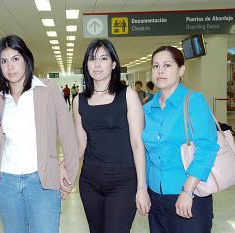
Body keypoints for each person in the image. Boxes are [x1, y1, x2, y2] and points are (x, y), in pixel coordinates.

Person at [0, 35, 79, 233]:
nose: (10, 67)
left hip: (42, 183)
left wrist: (69, 177)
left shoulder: (47, 90)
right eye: (3, 61)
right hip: (6, 184)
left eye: (15, 59)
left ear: (26, 60)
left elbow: (68, 136)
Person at [73, 38, 150, 233]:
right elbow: (80, 146)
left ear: (113, 63)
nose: (97, 64)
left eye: (103, 58)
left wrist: (142, 188)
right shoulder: (78, 100)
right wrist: (64, 168)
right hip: (90, 180)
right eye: (92, 59)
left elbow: (137, 144)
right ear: (86, 65)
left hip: (123, 181)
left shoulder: (128, 96)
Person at [142, 46, 219, 233]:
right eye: (155, 66)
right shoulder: (147, 109)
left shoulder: (194, 101)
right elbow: (144, 153)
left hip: (189, 195)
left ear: (181, 70)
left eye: (167, 65)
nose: (160, 71)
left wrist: (187, 191)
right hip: (156, 198)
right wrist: (142, 189)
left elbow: (207, 148)